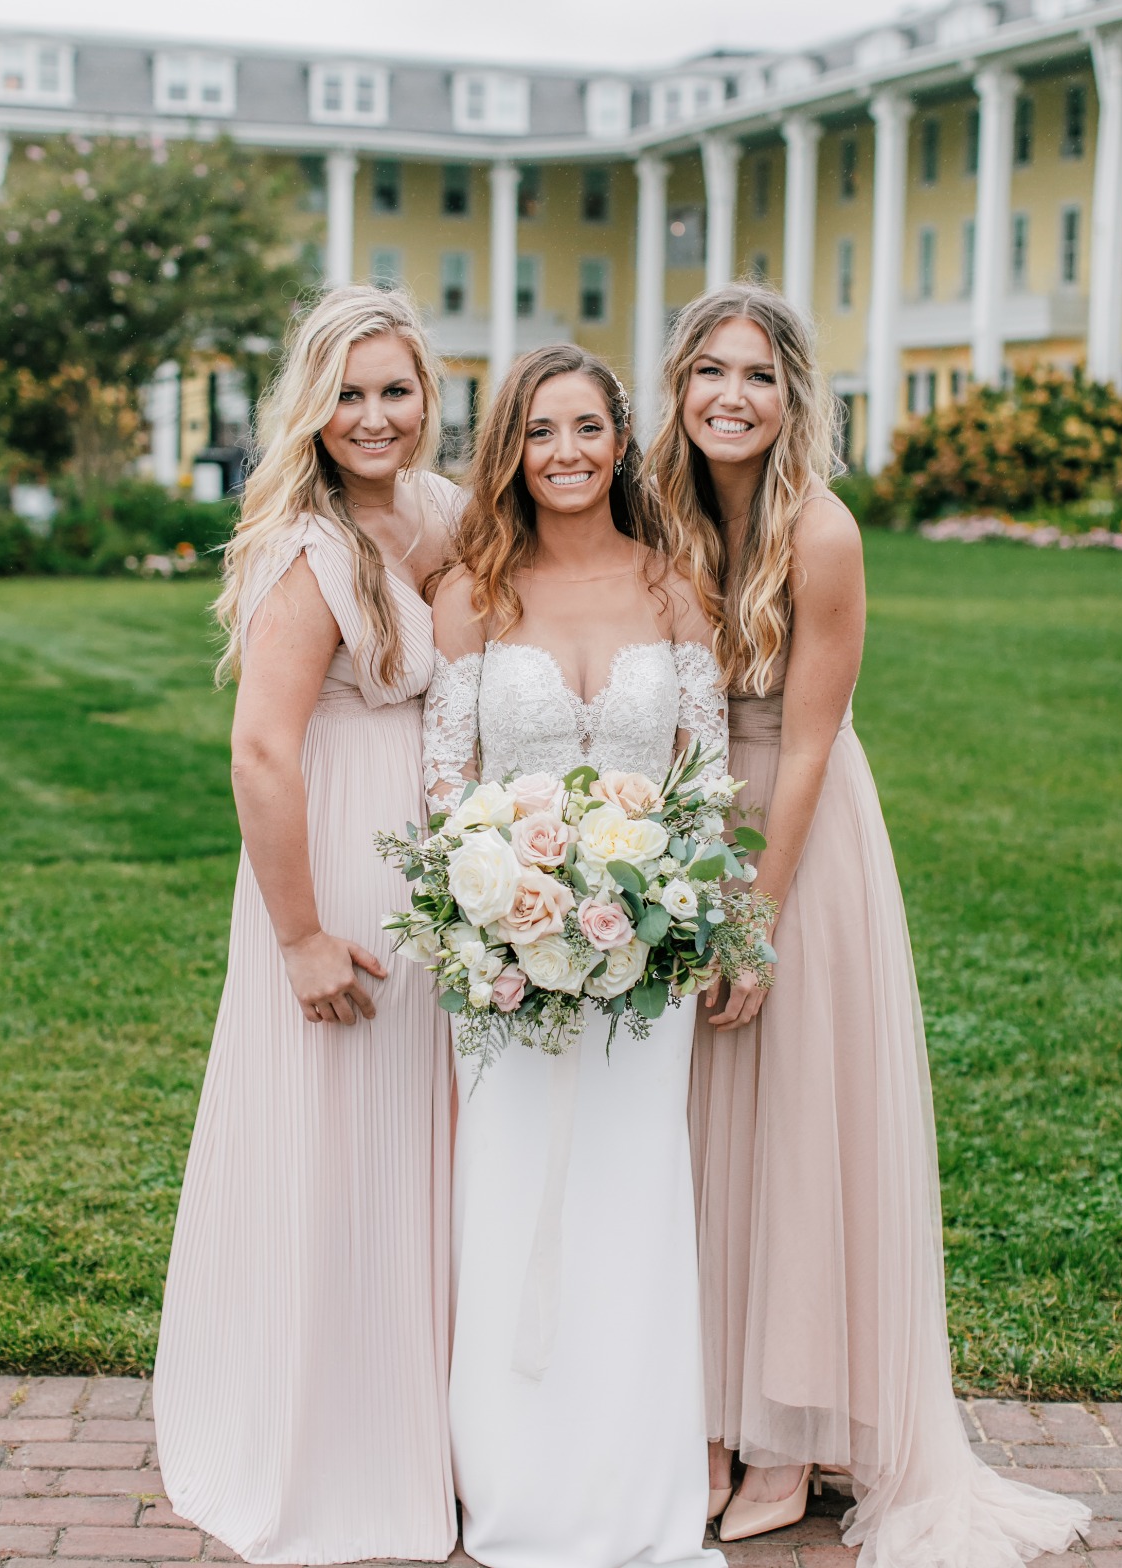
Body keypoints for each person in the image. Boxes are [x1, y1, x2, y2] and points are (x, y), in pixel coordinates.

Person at [646, 282, 1090, 1566]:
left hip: (801, 831)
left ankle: (787, 1434)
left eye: (761, 375)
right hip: (679, 823)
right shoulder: (658, 519)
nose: (734, 395)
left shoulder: (821, 532)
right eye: (711, 371)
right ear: (679, 388)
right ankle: (707, 1420)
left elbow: (816, 734)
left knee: (791, 1127)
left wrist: (758, 914)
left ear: (793, 401)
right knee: (689, 1132)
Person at [154, 285, 461, 1566]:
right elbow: (263, 752)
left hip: (433, 863)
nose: (374, 417)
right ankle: (325, 1432)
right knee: (336, 1138)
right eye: (348, 393)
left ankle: (432, 1422)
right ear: (311, 408)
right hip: (329, 863)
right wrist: (301, 936)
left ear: (428, 397)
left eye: (396, 390)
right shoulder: (306, 542)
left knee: (423, 1146)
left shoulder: (442, 513)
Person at [423, 344, 726, 1568]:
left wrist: (683, 911)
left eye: (588, 428)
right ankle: (517, 1485)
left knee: (636, 1204)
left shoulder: (675, 589)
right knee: (509, 1201)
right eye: (541, 431)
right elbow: (447, 789)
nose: (566, 452)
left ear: (622, 442)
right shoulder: (473, 594)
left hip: (649, 968)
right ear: (511, 447)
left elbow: (704, 785)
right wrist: (507, 910)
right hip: (503, 963)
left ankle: (634, 1488)